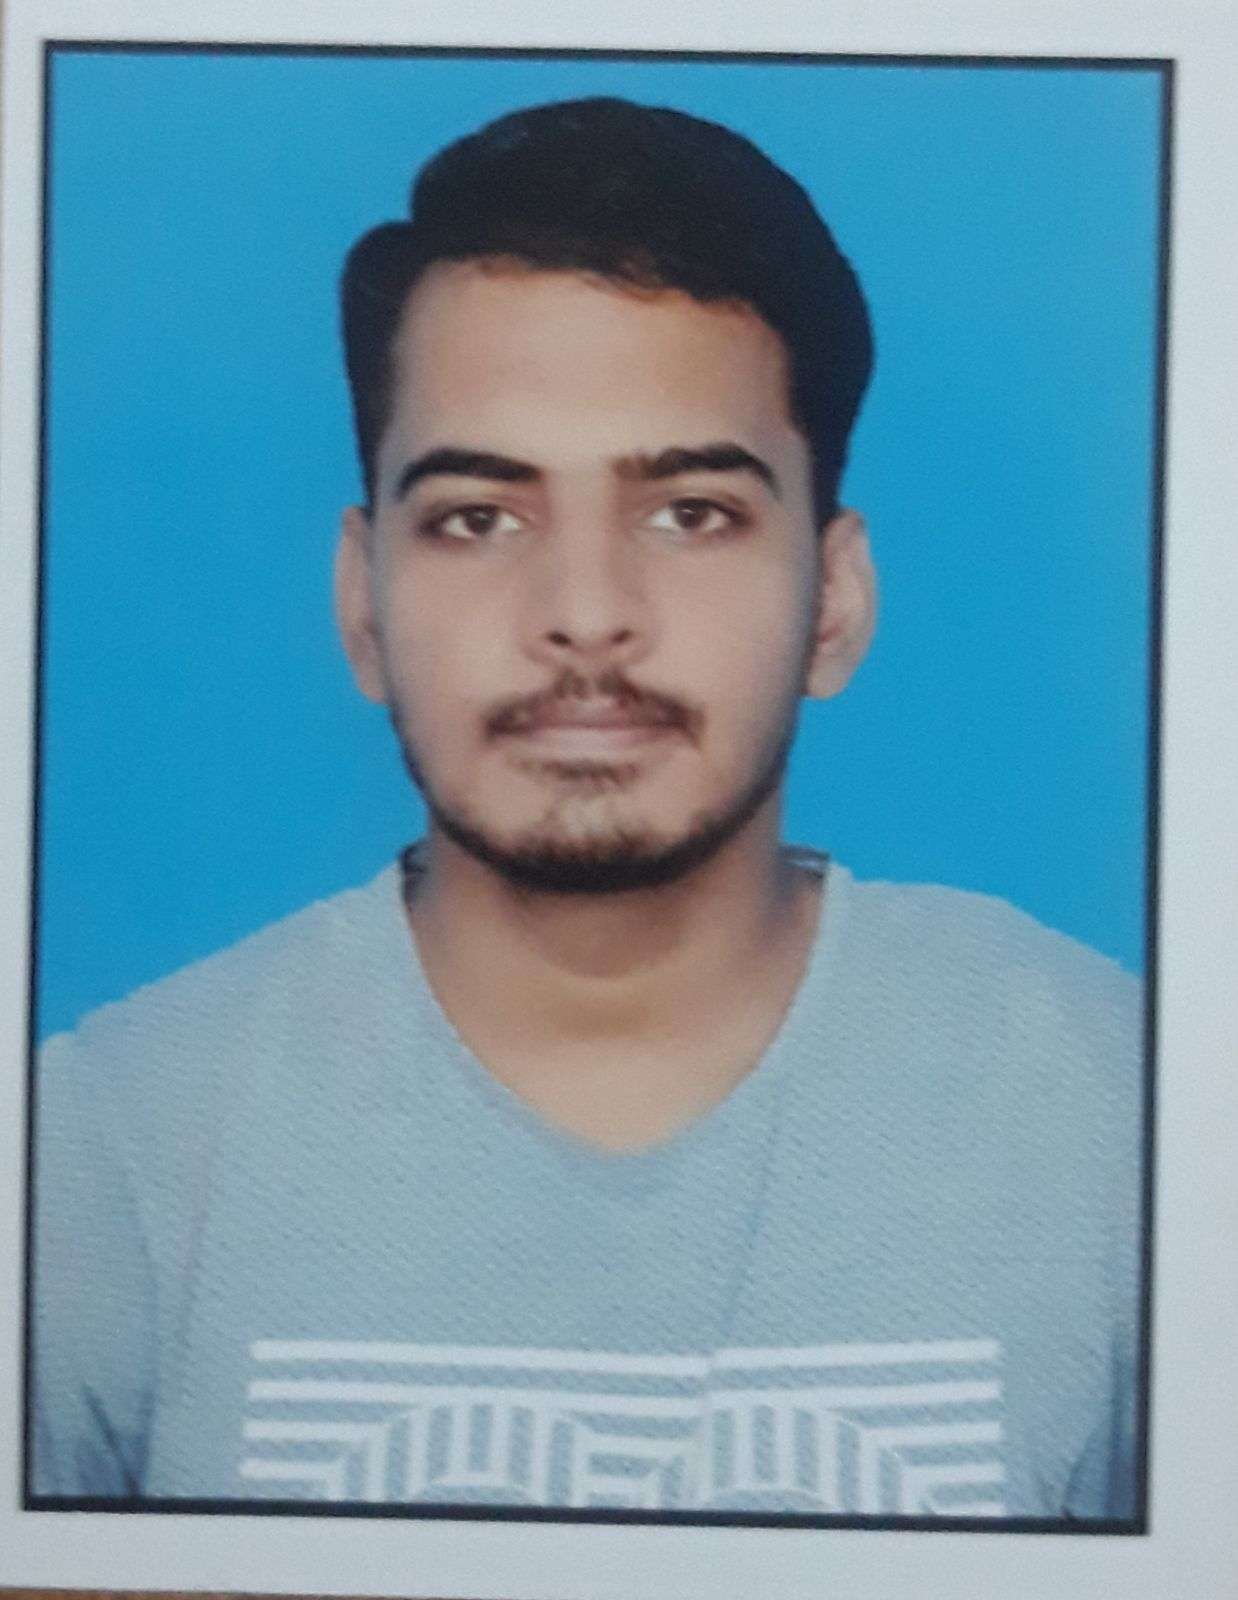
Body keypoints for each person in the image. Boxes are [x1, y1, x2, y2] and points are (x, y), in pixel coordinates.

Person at [32, 97, 1141, 1519]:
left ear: (835, 599)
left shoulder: (1124, 1115)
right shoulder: (102, 1148)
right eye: (477, 516)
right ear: (362, 604)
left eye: (691, 512)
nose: (585, 613)